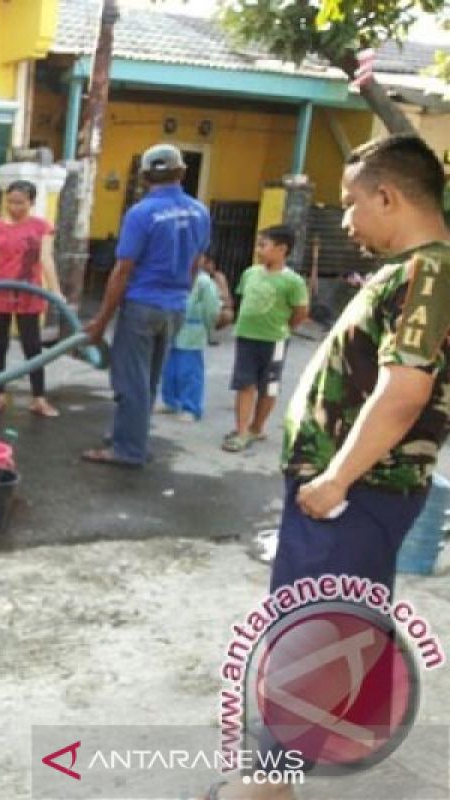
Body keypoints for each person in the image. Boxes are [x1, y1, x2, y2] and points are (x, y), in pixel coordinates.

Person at [205, 136, 450, 799]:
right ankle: (306, 750)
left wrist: (336, 478)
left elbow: (405, 392)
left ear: (388, 196)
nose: (345, 221)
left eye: (349, 203)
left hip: (357, 491)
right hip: (360, 490)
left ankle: (272, 782)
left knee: (313, 633)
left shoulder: (428, 273)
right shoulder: (420, 272)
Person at [83, 143, 211, 466]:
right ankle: (131, 436)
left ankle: (127, 450)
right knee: (149, 379)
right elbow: (197, 262)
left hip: (142, 306)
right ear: (181, 172)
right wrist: (181, 294)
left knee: (130, 380)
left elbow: (122, 271)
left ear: (143, 177)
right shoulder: (199, 211)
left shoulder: (141, 213)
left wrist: (100, 321)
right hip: (175, 306)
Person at [0, 180, 62, 417]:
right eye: (10, 201)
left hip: (30, 292)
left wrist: (56, 291)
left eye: (20, 202)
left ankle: (38, 397)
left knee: (32, 346)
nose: (14, 207)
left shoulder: (42, 227)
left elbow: (46, 260)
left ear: (31, 202)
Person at [221, 226, 309, 453]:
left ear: (282, 249)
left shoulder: (293, 282)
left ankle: (256, 427)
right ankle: (241, 431)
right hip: (247, 336)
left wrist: (286, 328)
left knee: (268, 386)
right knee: (244, 383)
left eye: (263, 245)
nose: (259, 250)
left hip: (275, 340)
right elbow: (244, 299)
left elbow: (300, 311)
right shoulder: (250, 273)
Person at [158, 257, 223, 421]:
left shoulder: (203, 282)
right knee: (169, 369)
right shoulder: (174, 276)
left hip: (192, 330)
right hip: (171, 327)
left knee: (189, 371)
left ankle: (191, 407)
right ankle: (170, 401)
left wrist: (208, 329)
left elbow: (212, 309)